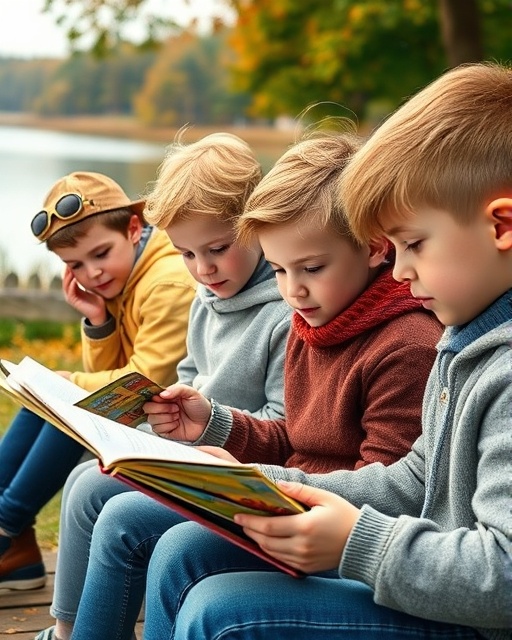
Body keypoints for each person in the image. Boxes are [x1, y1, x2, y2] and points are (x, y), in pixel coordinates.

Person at [142, 63, 512, 640]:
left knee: (221, 612)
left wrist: (357, 544)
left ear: (502, 226)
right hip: (418, 571)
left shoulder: (479, 358)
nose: (402, 268)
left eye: (412, 244)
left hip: (470, 616)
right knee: (187, 554)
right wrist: (253, 479)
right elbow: (415, 478)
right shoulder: (462, 335)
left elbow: (503, 576)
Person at [39, 130, 443, 640]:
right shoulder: (312, 317)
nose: (293, 289)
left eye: (311, 268)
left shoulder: (405, 342)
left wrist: (261, 479)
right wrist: (213, 423)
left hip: (332, 527)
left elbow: (389, 486)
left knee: (137, 527)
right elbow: (296, 437)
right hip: (286, 498)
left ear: (373, 249)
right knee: (149, 529)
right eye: (279, 270)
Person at [35, 132, 292, 640]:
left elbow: (282, 426)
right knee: (86, 481)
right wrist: (167, 412)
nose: (204, 268)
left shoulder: (282, 314)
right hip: (189, 448)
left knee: (117, 512)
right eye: (187, 254)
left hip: (236, 465)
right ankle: (67, 628)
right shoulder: (206, 295)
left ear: (258, 226)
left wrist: (203, 424)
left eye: (217, 249)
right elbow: (192, 373)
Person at [0, 171, 196, 592]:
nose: (92, 273)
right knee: (50, 395)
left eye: (100, 254)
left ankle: (7, 531)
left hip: (181, 419)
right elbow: (117, 373)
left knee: (72, 399)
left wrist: (68, 382)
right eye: (75, 265)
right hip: (147, 410)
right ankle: (9, 537)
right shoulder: (126, 274)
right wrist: (98, 319)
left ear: (133, 227)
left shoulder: (166, 281)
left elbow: (142, 381)